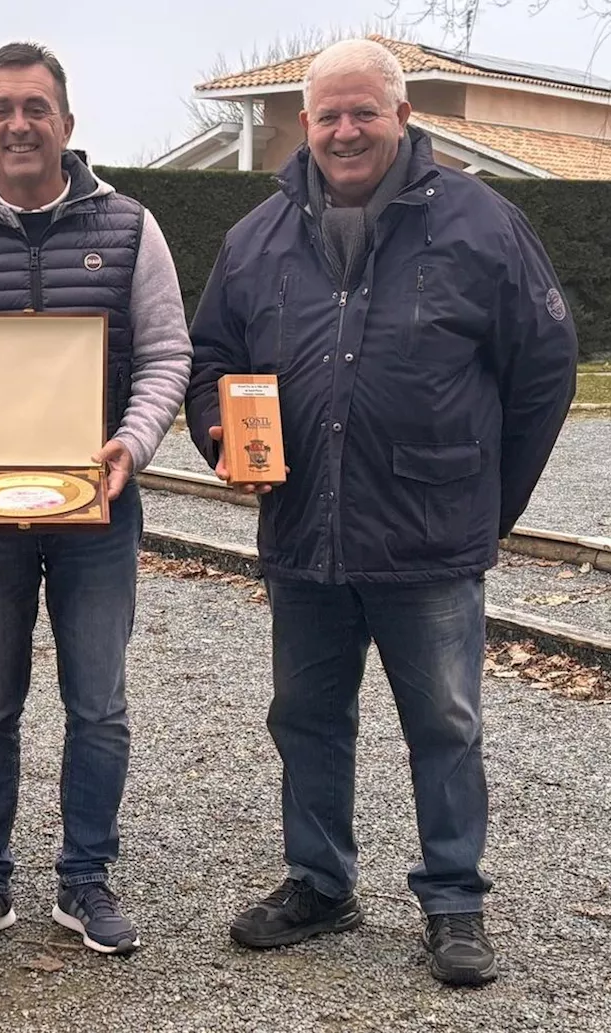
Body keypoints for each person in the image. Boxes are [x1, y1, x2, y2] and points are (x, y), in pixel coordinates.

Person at [185, 38, 578, 987]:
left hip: (430, 538)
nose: (346, 130)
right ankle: (322, 882)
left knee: (443, 722)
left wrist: (488, 503)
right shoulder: (257, 238)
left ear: (404, 117)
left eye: (365, 111)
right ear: (305, 124)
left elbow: (545, 372)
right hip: (303, 533)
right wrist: (219, 441)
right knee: (308, 717)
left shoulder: (485, 224)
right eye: (329, 115)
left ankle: (453, 900)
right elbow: (210, 364)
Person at [0, 41, 192, 957]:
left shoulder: (133, 227)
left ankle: (85, 880)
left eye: (36, 107)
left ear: (67, 122)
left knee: (97, 702)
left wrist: (130, 445)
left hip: (94, 505)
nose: (18, 124)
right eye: (1, 109)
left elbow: (166, 355)